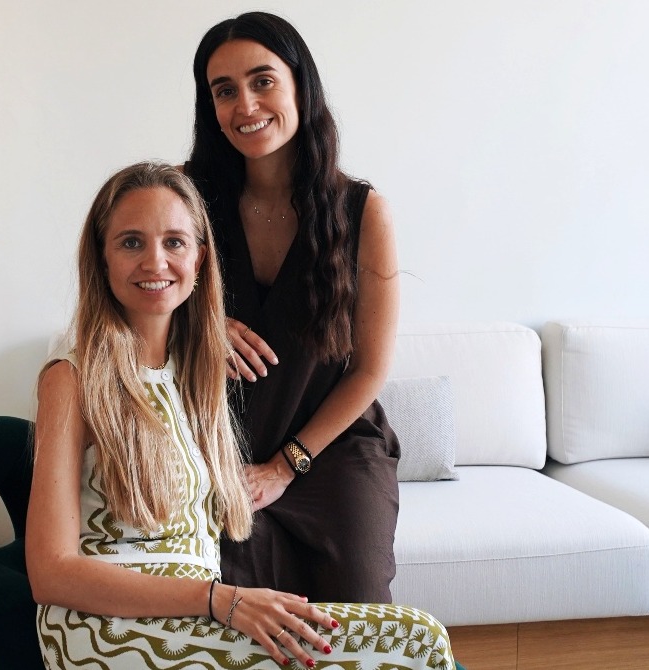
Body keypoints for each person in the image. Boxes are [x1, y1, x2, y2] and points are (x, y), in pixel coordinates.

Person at [27, 161, 454, 669]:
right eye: (131, 242)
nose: (155, 262)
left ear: (202, 260)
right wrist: (221, 600)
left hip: (199, 618)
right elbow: (50, 571)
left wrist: (220, 603)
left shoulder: (198, 375)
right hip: (106, 628)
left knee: (409, 639)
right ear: (100, 259)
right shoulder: (71, 378)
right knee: (416, 646)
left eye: (174, 243)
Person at [185, 11, 403, 604]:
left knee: (357, 612)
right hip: (222, 447)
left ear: (300, 86)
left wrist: (286, 466)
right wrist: (197, 325)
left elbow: (369, 370)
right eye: (224, 91)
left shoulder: (363, 212)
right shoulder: (184, 201)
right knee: (237, 614)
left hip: (332, 451)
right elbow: (123, 309)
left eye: (263, 81)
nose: (245, 104)